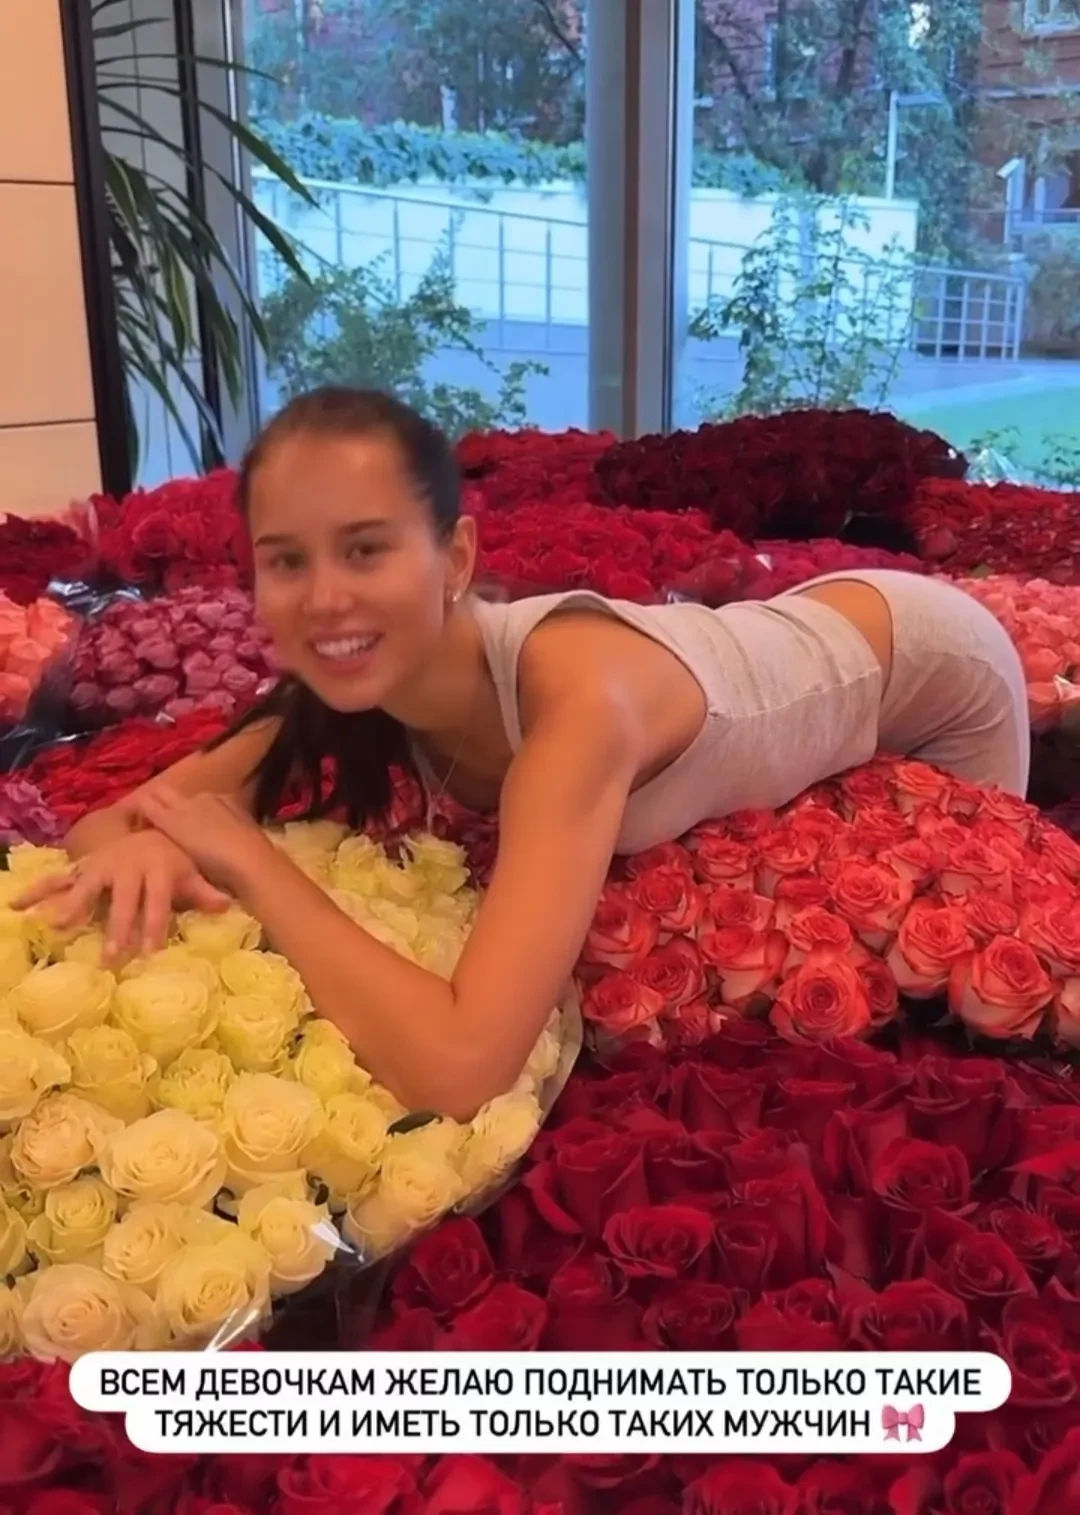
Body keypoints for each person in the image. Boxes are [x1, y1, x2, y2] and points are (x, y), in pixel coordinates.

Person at [16, 388, 1030, 1119]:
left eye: (366, 549)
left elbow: (463, 1068)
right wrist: (145, 841)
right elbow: (109, 823)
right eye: (286, 561)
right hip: (784, 638)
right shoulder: (339, 690)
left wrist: (249, 861)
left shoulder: (575, 714)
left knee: (972, 1008)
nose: (324, 598)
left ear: (455, 558)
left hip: (930, 668)